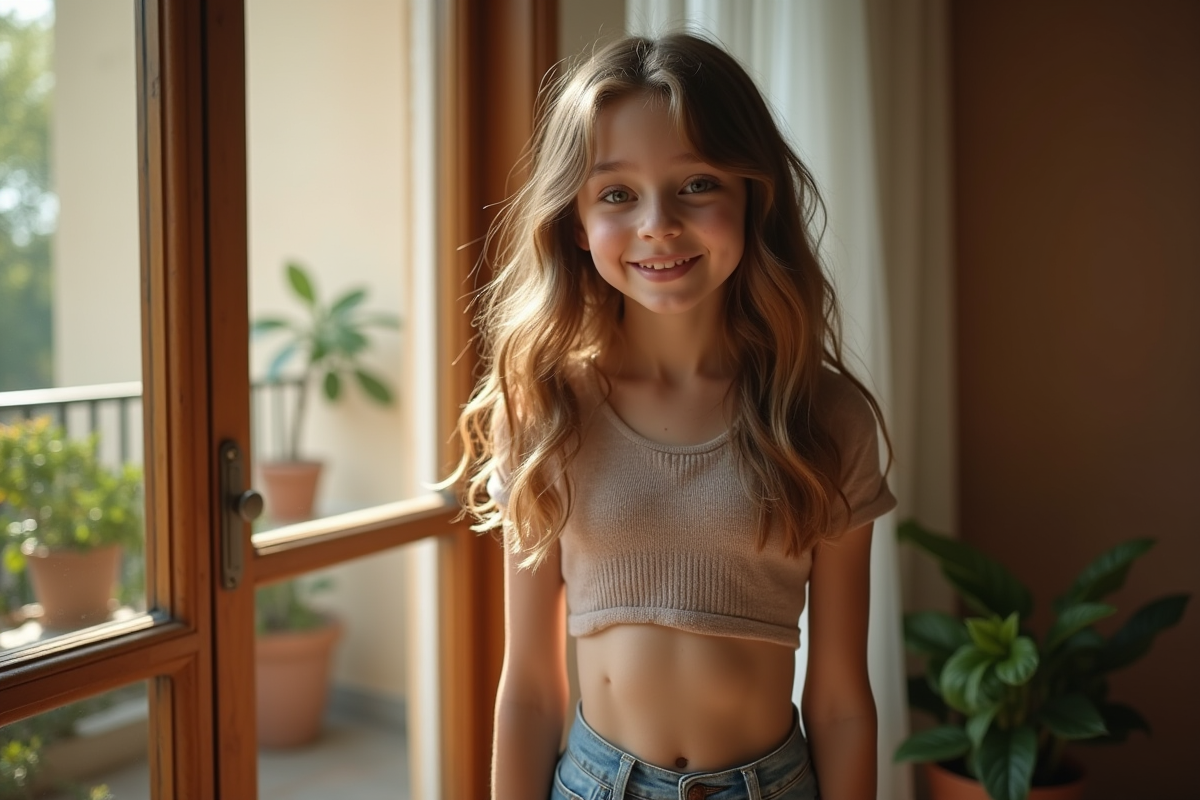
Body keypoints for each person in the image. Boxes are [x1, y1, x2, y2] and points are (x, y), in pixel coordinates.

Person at [449, 32, 896, 800]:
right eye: (617, 193)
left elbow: (841, 699)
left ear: (755, 196)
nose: (658, 223)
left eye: (696, 184)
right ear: (575, 221)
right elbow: (527, 686)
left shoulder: (823, 417)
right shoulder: (545, 412)